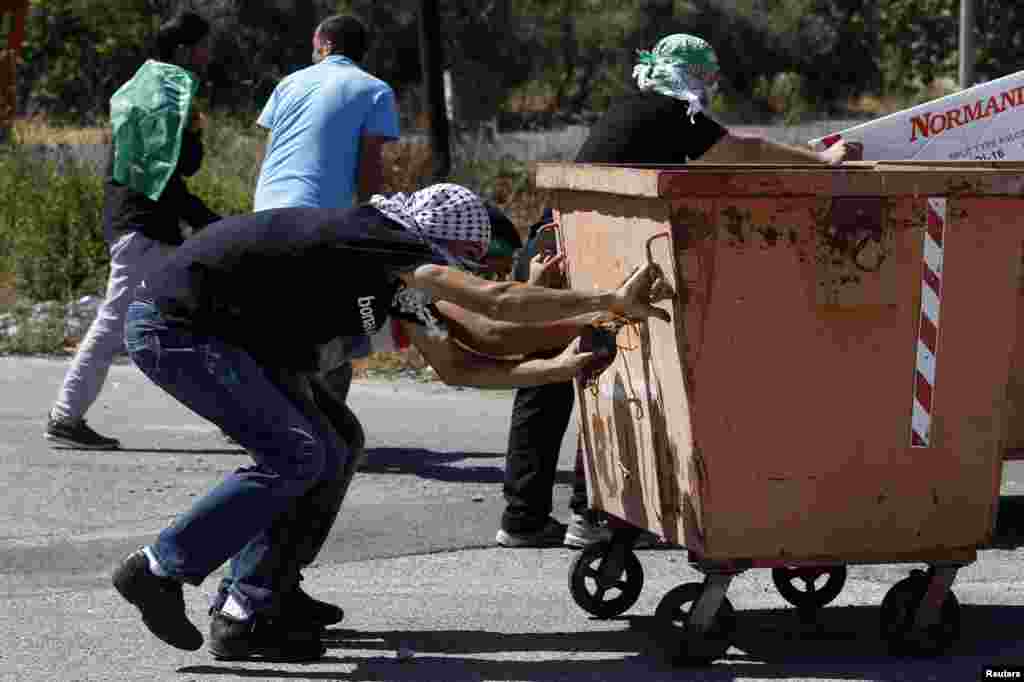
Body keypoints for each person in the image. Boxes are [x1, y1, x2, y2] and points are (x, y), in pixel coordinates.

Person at [111, 183, 672, 661]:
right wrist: (608, 301)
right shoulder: (385, 238)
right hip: (180, 327)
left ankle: (263, 593)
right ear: (440, 245)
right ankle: (159, 569)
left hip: (235, 339)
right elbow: (496, 302)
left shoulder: (399, 281)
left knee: (336, 443)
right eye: (461, 265)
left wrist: (560, 366)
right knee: (296, 454)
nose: (462, 278)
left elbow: (464, 360)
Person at [493, 33, 864, 549]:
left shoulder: (629, 108)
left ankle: (522, 517)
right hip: (586, 257)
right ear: (692, 76)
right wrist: (819, 161)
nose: (709, 90)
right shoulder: (673, 112)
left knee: (546, 386)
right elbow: (741, 151)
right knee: (604, 372)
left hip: (548, 247)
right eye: (707, 78)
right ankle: (594, 516)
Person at [44, 11, 221, 449]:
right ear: (184, 50)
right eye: (202, 46)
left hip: (137, 223)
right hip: (143, 228)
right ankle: (65, 417)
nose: (207, 54)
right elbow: (168, 177)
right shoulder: (165, 94)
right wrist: (209, 221)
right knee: (122, 322)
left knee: (193, 317)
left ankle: (240, 414)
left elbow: (175, 170)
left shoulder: (152, 88)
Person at [252, 12, 401, 406]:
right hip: (321, 220)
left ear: (324, 44)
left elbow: (270, 153)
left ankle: (260, 413)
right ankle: (325, 421)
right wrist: (372, 218)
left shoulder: (289, 83)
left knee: (272, 320)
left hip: (264, 216)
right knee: (335, 325)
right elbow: (369, 163)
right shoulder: (374, 89)